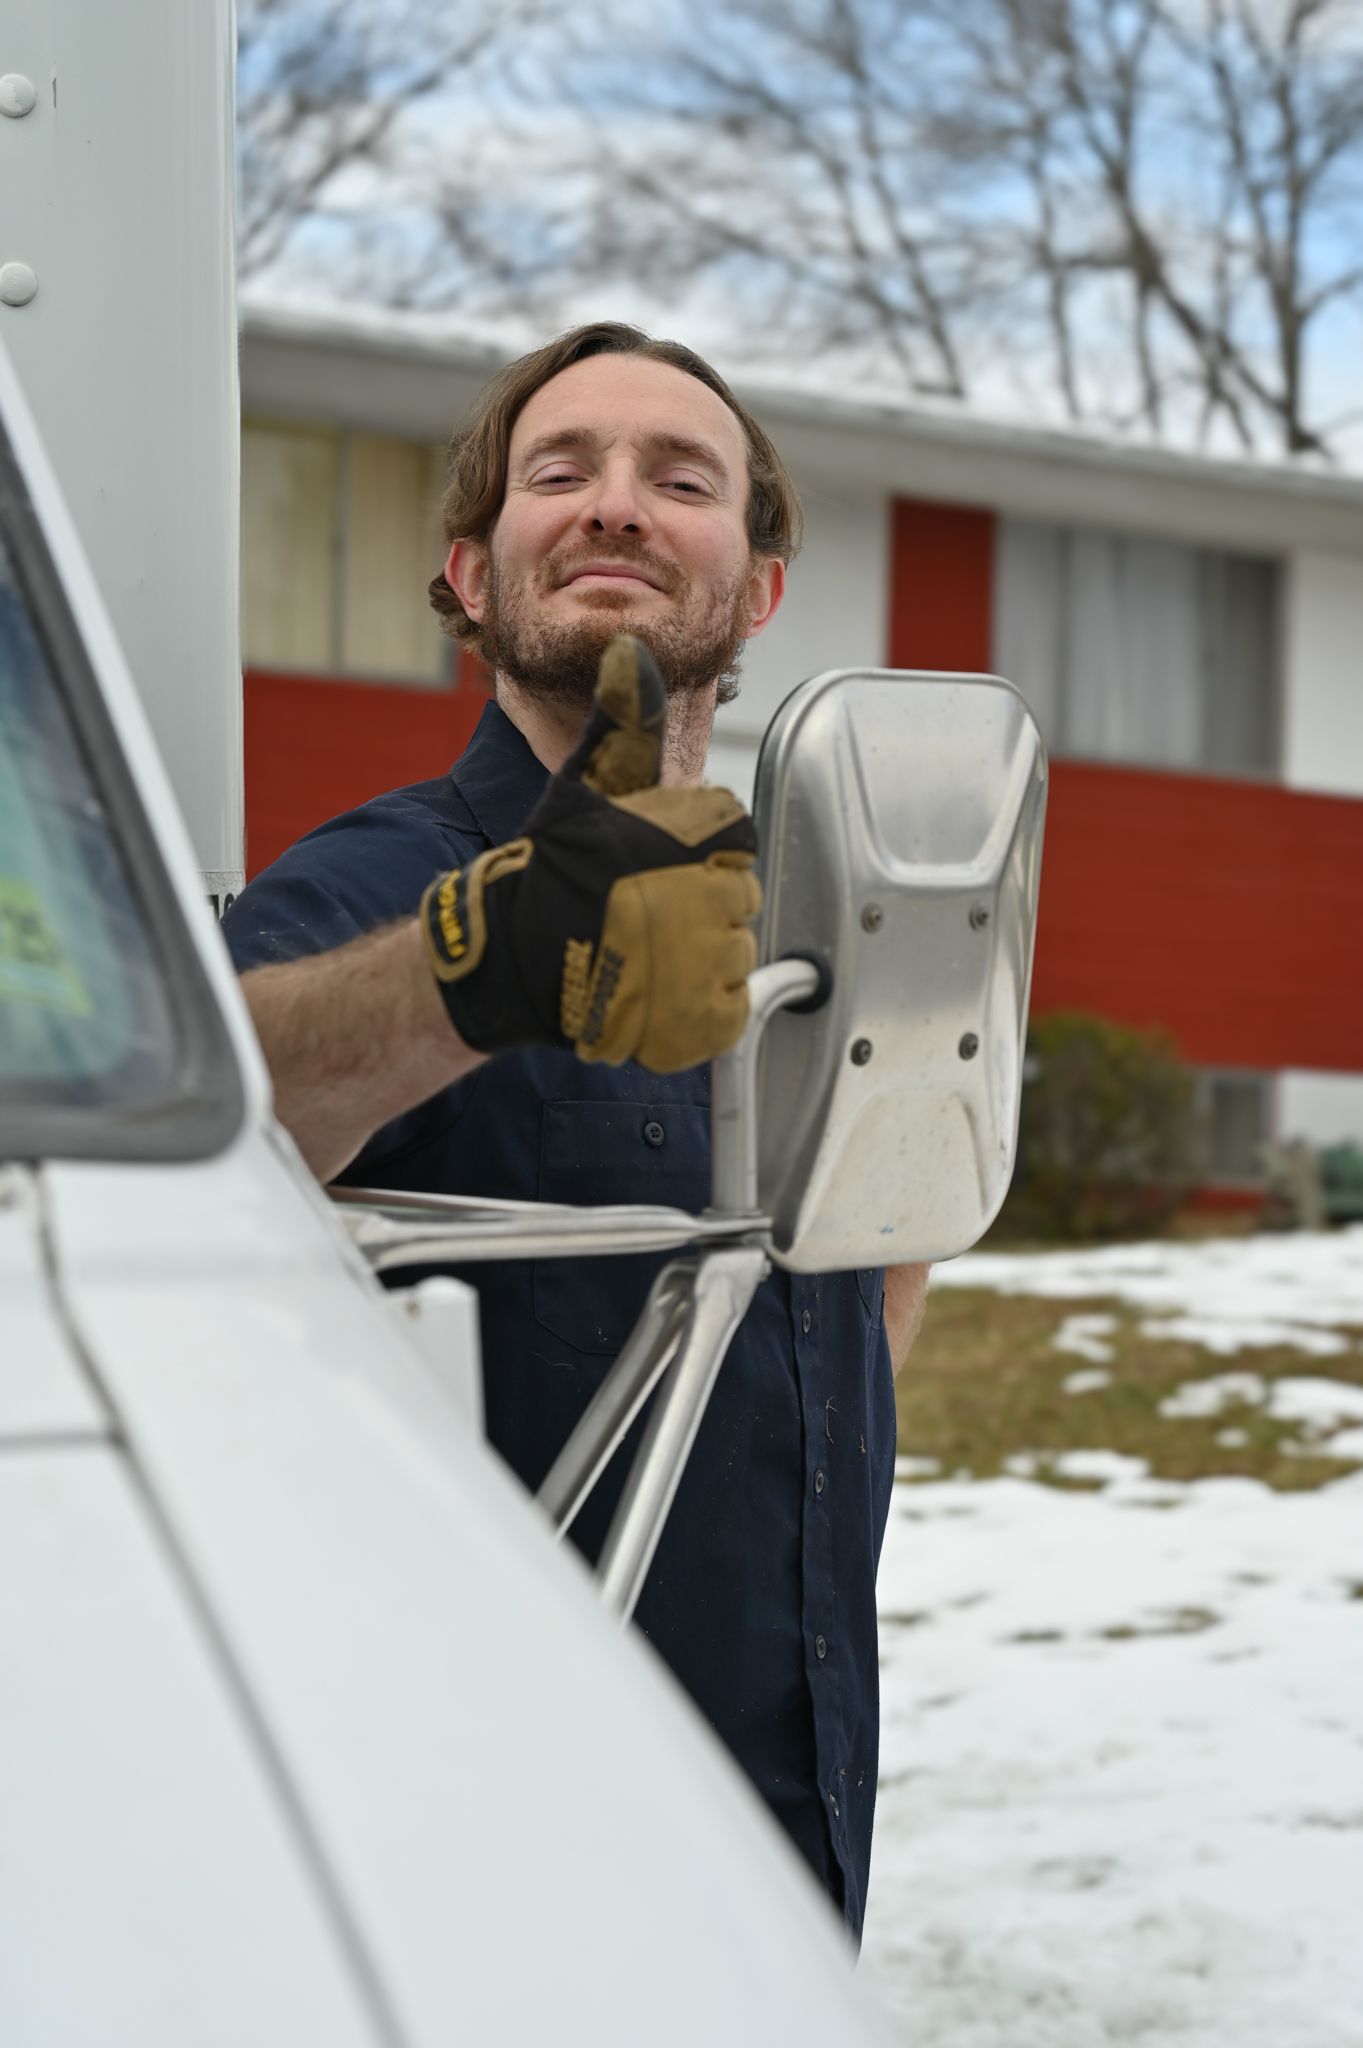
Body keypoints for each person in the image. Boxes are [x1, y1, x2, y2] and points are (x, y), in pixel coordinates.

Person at [222, 321, 929, 1939]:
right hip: (477, 1883)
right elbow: (193, 1117)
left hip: (788, 1851)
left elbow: (868, 1264)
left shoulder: (804, 926)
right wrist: (479, 965)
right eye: (563, 471)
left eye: (680, 480)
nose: (616, 504)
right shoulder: (364, 892)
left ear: (752, 590)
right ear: (471, 573)